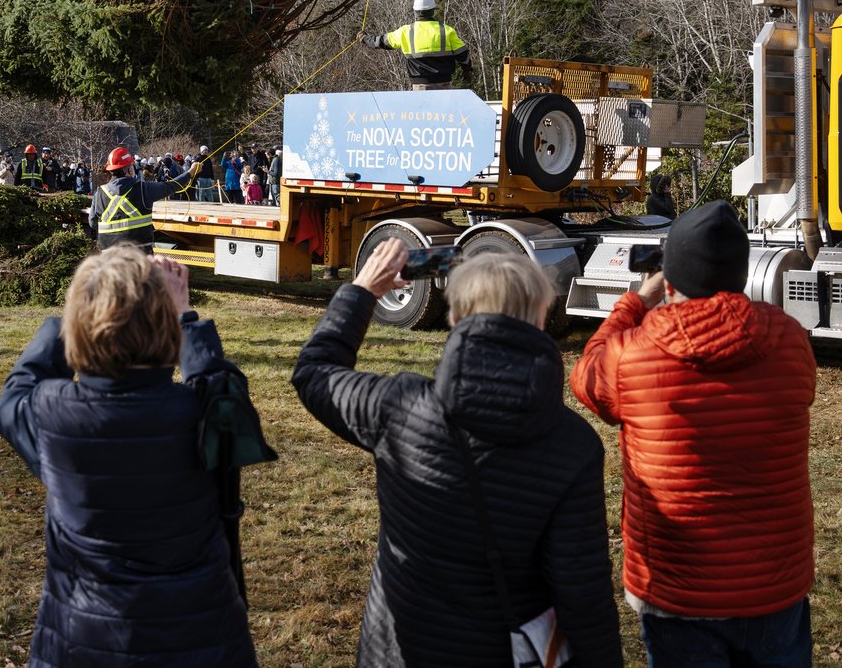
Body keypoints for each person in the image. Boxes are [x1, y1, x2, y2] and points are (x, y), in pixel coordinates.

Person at [291, 241, 622, 666]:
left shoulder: (399, 406)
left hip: (396, 648)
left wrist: (362, 291)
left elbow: (315, 372)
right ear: (541, 318)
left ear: (455, 316)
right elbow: (583, 590)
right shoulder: (573, 444)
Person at [571, 200, 815, 667]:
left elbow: (585, 375)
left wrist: (635, 302)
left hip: (678, 589)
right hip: (775, 585)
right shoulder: (790, 340)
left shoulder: (633, 355)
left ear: (671, 276)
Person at [0, 247, 260, 667]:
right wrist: (185, 317)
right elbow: (220, 385)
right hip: (201, 639)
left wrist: (81, 306)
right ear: (165, 325)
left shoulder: (52, 414)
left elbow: (15, 393)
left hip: (81, 641)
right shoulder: (203, 413)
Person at [89, 146, 200, 254]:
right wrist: (191, 171)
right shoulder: (143, 189)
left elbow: (93, 222)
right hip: (139, 258)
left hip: (109, 259)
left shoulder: (99, 193)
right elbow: (171, 186)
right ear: (129, 170)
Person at [371, 0, 472, 90]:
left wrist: (365, 38)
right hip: (443, 84)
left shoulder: (406, 31)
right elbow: (463, 53)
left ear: (415, 12)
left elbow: (382, 41)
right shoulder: (446, 30)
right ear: (433, 11)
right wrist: (466, 70)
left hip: (420, 86)